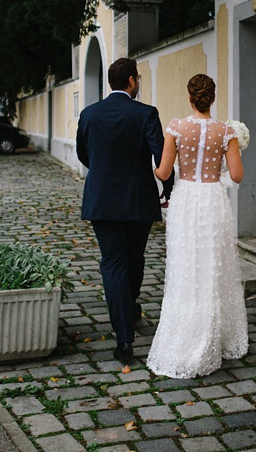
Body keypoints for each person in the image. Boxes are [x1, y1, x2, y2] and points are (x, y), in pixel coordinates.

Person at [145, 74, 248, 379]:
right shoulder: (225, 131)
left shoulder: (176, 127)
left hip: (186, 200)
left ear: (190, 98)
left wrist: (151, 165)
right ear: (212, 99)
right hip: (213, 200)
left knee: (186, 267)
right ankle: (215, 335)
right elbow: (238, 176)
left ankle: (186, 334)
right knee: (213, 267)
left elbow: (164, 174)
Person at [76, 58, 173, 364]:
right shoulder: (146, 113)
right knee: (134, 258)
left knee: (113, 263)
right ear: (132, 81)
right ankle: (128, 310)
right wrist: (168, 191)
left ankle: (124, 338)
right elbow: (161, 159)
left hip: (102, 201)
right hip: (138, 201)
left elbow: (83, 153)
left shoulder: (89, 114)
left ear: (111, 82)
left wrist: (105, 171)